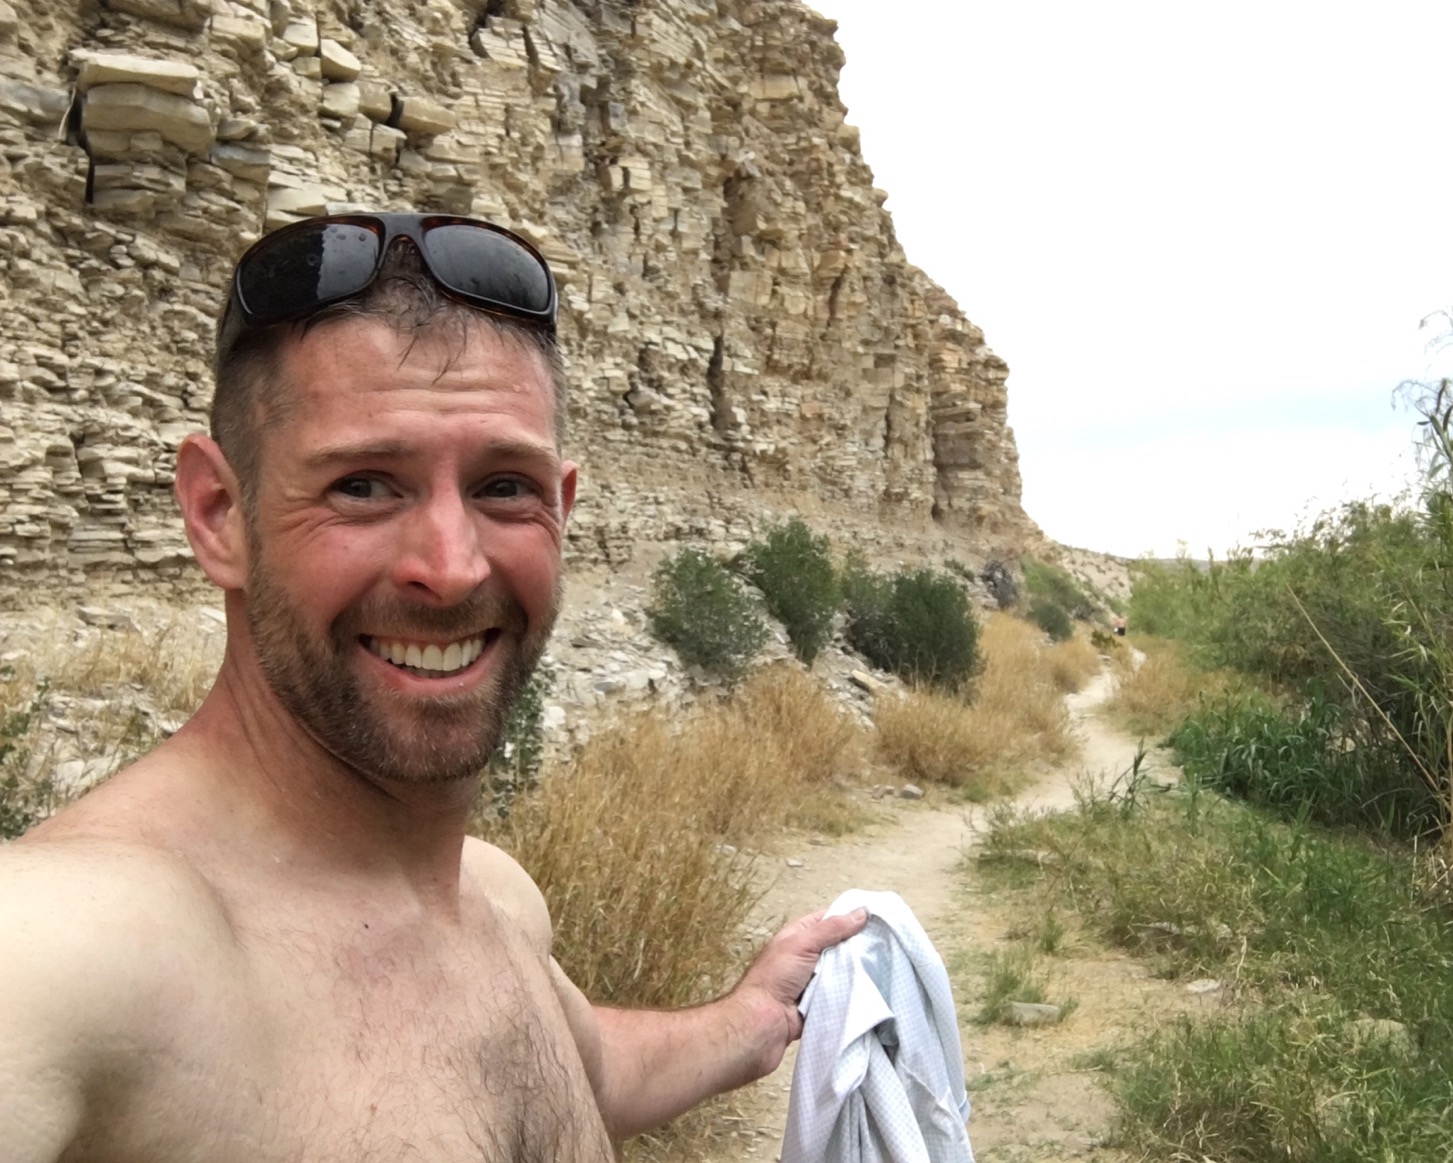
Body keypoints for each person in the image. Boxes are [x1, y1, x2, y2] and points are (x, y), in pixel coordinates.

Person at [0, 212, 867, 1162]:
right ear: (218, 515)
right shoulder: (83, 945)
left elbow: (567, 1075)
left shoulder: (494, 899)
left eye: (504, 487)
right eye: (363, 486)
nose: (451, 568)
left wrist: (752, 1019)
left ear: (562, 508)